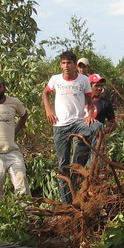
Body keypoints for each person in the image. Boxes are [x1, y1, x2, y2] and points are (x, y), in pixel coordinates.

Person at [42, 51, 93, 204]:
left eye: (69, 63)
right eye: (63, 63)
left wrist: (89, 115)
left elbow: (90, 101)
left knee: (96, 128)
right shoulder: (55, 79)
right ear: (60, 64)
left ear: (74, 64)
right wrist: (48, 110)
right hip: (60, 126)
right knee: (63, 164)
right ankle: (67, 203)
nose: (66, 66)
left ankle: (88, 165)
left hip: (78, 123)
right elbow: (45, 93)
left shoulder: (83, 80)